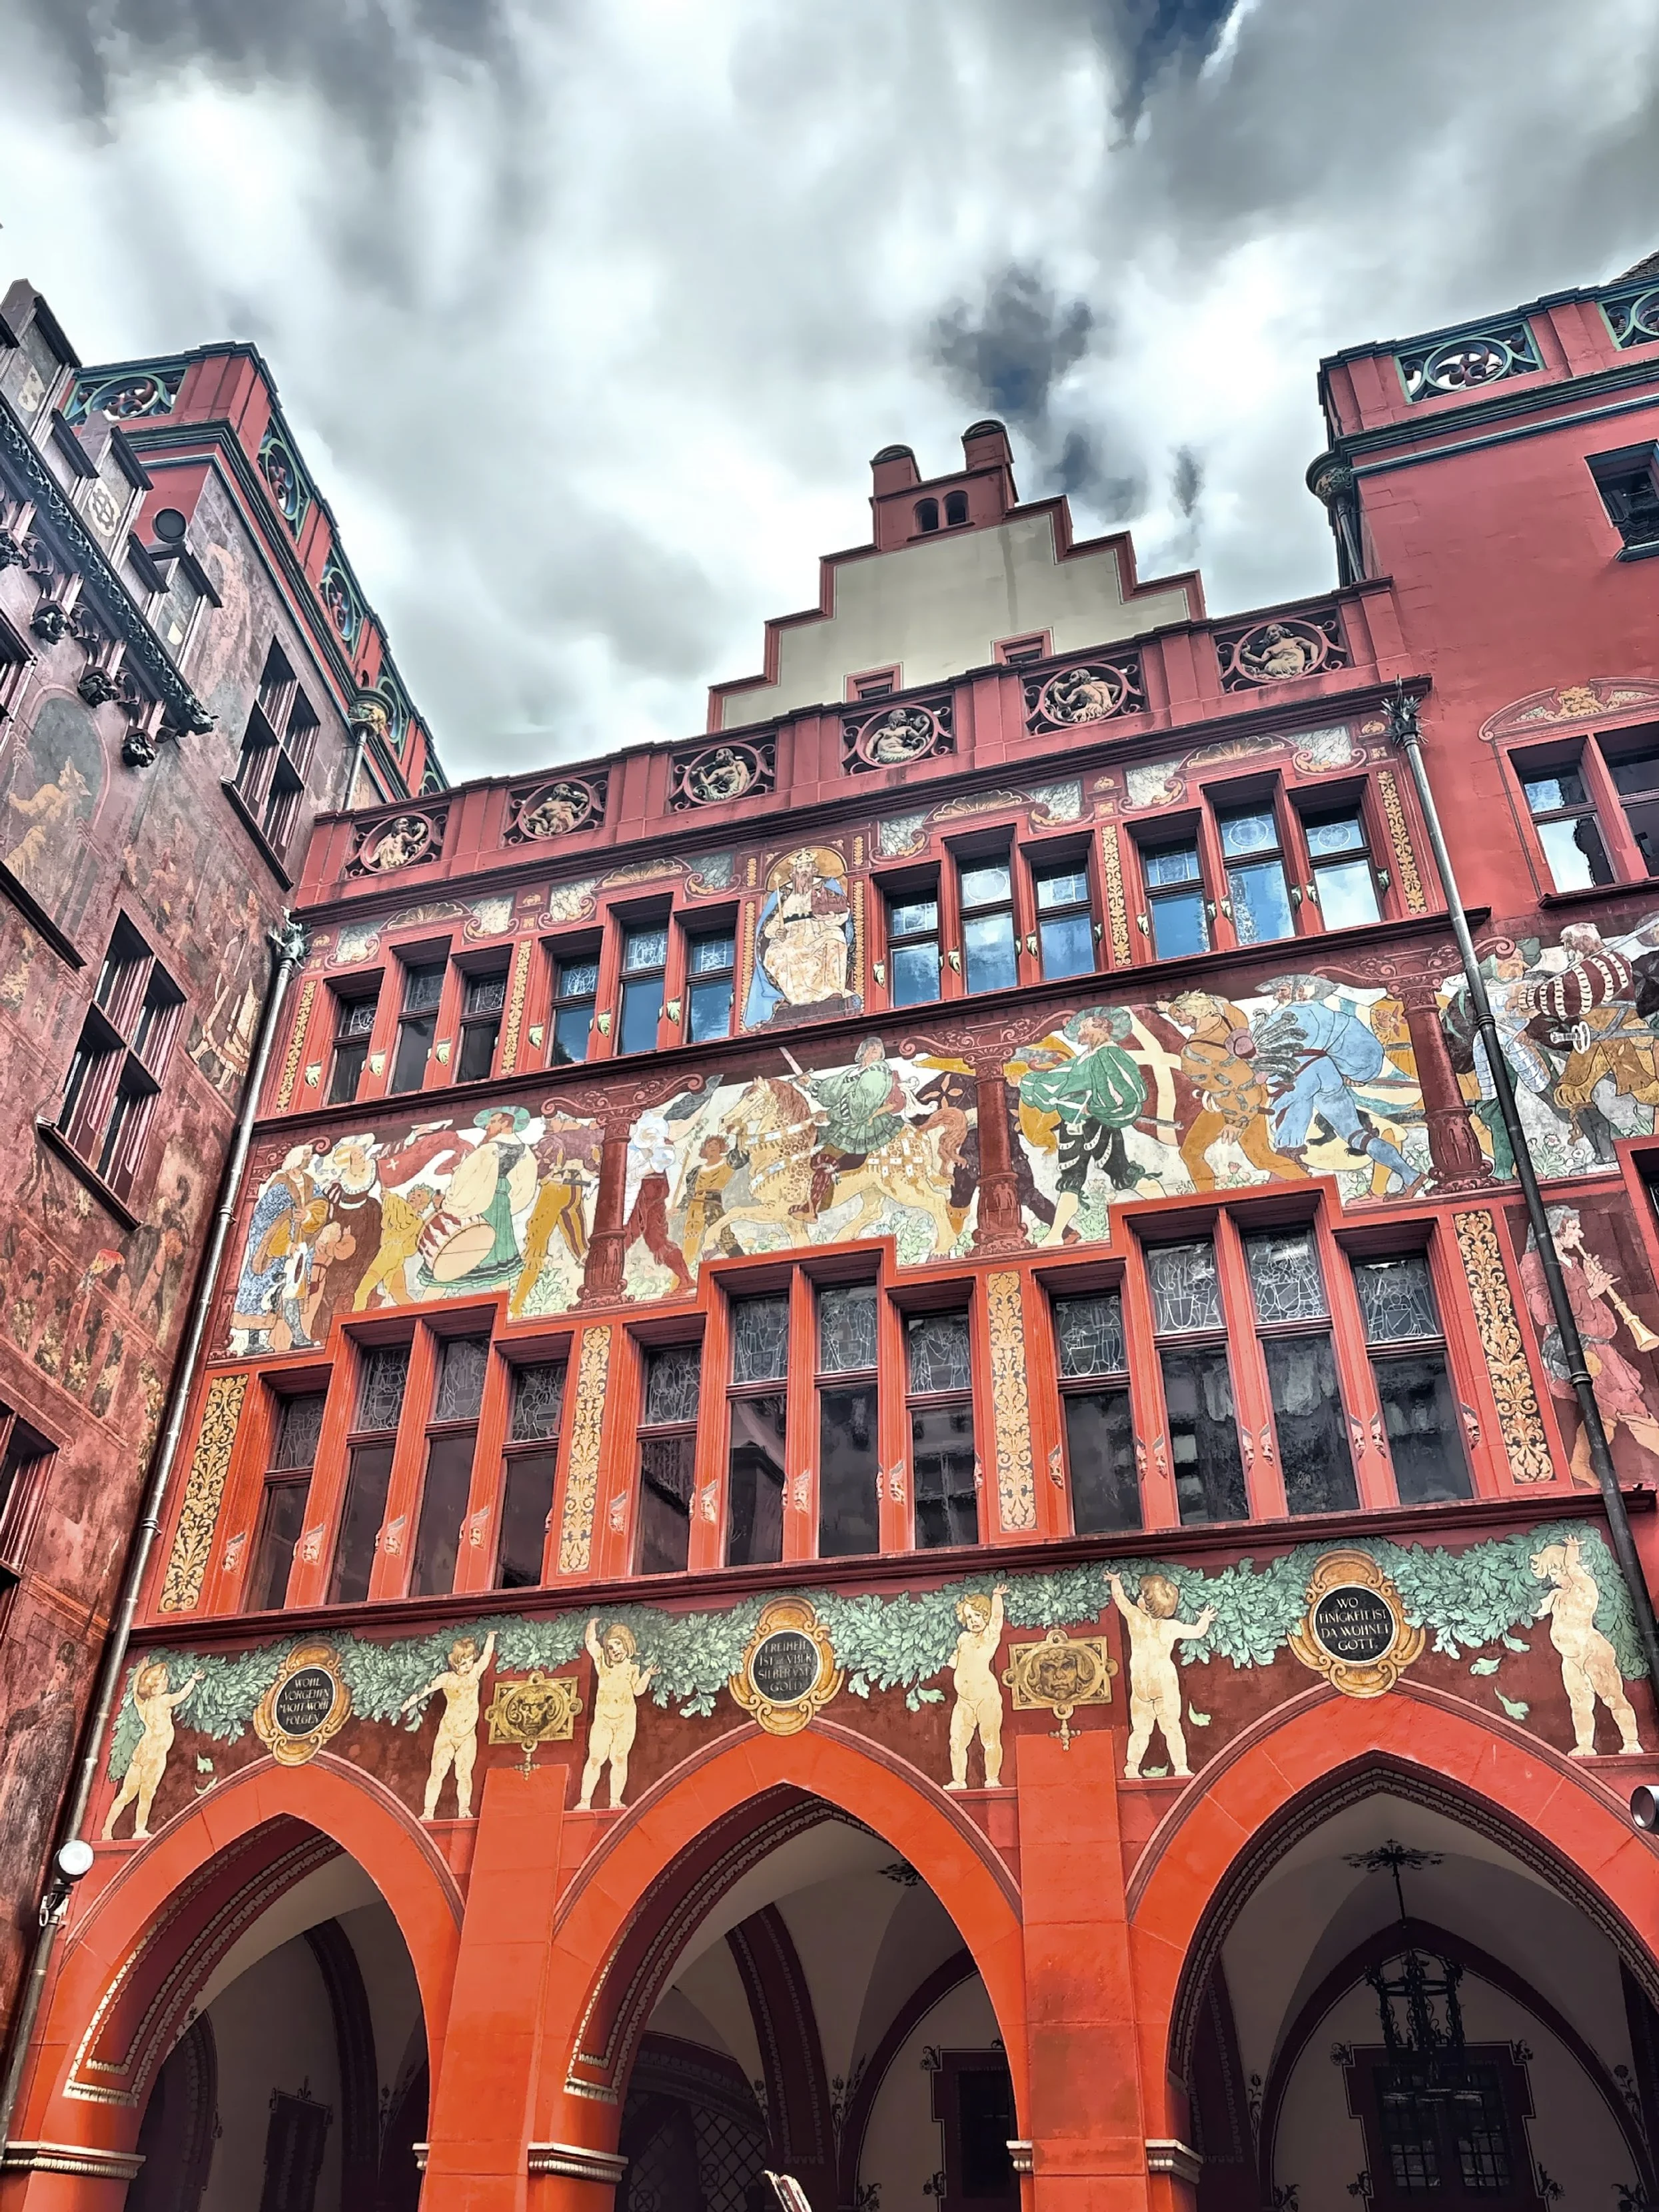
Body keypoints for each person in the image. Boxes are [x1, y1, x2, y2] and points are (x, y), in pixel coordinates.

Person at [1257, 976, 1423, 1197]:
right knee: (1355, 1134)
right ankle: (1410, 1174)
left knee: (1283, 1128)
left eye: (1283, 990)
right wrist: (1355, 1074)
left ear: (1300, 992)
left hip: (1299, 1073)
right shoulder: (1330, 1016)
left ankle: (1281, 1185)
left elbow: (1257, 1055)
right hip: (1328, 1072)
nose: (1278, 995)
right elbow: (1362, 1044)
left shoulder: (1278, 1018)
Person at [1015, 1010, 1149, 1244]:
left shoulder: (1110, 1054)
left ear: (1098, 1027)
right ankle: (1056, 1234)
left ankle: (1167, 1201)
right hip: (1073, 1126)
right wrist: (1028, 1082)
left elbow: (1129, 1090)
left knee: (1122, 1174)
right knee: (1072, 1179)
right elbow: (1060, 1079)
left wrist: (1094, 1108)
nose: (1079, 1032)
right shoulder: (1085, 1058)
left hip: (1097, 1124)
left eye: (1082, 1027)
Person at [1165, 992, 1307, 1190]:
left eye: (1179, 1014)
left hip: (1234, 1106)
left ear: (1192, 1012)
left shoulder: (1194, 1054)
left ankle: (1209, 1202)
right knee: (1262, 1157)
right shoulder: (1231, 1015)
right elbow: (1215, 1004)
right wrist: (1169, 1007)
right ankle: (1309, 1184)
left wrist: (1237, 1122)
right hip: (1259, 1093)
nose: (1177, 1018)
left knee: (1191, 1152)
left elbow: (1229, 1090)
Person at [1530, 1536, 1643, 1756]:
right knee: (1579, 1703)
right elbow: (1538, 1609)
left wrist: (1571, 1550)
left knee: (1612, 1697)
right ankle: (1585, 1745)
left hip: (1593, 1651)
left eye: (1555, 1572)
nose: (1554, 1579)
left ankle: (1631, 1741)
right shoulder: (1557, 1595)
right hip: (1570, 1657)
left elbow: (1573, 1568)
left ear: (1563, 1567)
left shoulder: (1584, 1586)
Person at [1108, 1570, 1215, 1779]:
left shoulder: (1136, 1619)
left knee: (1141, 1728)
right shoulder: (1171, 1626)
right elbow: (1197, 1632)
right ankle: (1181, 1767)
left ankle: (1132, 1766)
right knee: (1172, 1727)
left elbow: (1119, 1599)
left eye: (1142, 1594)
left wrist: (1115, 1580)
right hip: (1164, 1680)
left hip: (1141, 1681)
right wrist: (1205, 1619)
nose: (1138, 1597)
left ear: (1148, 1602)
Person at [103, 1661, 203, 1841]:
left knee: (126, 1794)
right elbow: (181, 1695)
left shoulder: (143, 1704)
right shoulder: (163, 1700)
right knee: (147, 1793)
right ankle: (139, 1829)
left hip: (142, 1751)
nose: (167, 1682)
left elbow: (135, 1690)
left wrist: (141, 1668)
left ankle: (106, 1830)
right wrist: (193, 1680)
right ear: (156, 1686)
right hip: (156, 1753)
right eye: (164, 1679)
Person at [402, 1633, 496, 1820]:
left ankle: (464, 1809)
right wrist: (408, 1703)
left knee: (464, 1773)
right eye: (463, 1663)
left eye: (470, 1660)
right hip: (447, 1733)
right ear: (455, 1663)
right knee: (437, 1772)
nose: (467, 1666)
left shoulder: (475, 1674)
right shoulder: (447, 1679)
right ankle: (428, 1811)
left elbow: (487, 1656)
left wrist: (491, 1638)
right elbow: (426, 1689)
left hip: (467, 1734)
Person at [580, 1619, 656, 1809]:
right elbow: (591, 1643)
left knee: (620, 1758)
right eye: (611, 1648)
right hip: (604, 1719)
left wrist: (647, 1674)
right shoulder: (604, 1666)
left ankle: (615, 1801)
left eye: (618, 1645)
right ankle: (584, 1801)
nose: (615, 1651)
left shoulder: (633, 1668)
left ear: (627, 1644)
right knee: (596, 1758)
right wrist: (591, 1624)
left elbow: (638, 1691)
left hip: (625, 1718)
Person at [945, 1588, 1008, 1791]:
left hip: (986, 1698)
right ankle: (959, 1780)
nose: (974, 1620)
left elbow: (998, 1618)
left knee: (989, 1741)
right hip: (963, 1701)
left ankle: (992, 1778)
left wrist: (997, 1597)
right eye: (970, 1616)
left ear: (986, 1616)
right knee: (956, 1742)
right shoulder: (963, 1639)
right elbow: (955, 1662)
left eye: (978, 1615)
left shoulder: (989, 1637)